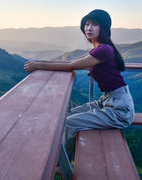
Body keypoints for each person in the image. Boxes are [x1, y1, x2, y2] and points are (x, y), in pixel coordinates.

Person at [24, 9, 135, 160]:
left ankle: (59, 164)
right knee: (68, 115)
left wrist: (38, 65)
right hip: (108, 101)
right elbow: (70, 63)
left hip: (119, 109)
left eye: (94, 24)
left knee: (69, 123)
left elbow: (71, 66)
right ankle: (65, 156)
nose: (88, 28)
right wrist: (39, 63)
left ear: (103, 28)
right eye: (87, 24)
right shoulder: (99, 48)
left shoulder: (104, 50)